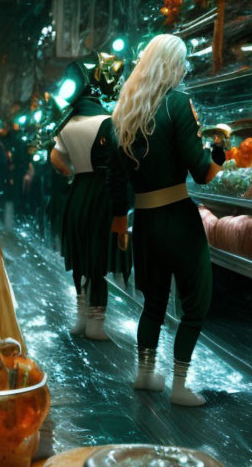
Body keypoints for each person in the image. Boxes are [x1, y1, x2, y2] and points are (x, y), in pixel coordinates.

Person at [111, 34, 224, 407]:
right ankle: (179, 386)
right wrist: (221, 149)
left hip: (143, 220)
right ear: (171, 65)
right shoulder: (178, 104)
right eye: (183, 63)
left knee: (154, 302)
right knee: (196, 302)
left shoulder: (125, 111)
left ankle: (144, 375)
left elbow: (121, 178)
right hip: (177, 216)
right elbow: (203, 171)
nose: (184, 70)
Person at [50, 52, 127, 340]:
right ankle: (96, 324)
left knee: (79, 254)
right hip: (101, 196)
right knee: (98, 260)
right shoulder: (109, 123)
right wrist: (121, 211)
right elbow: (117, 170)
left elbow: (54, 158)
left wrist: (71, 173)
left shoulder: (66, 126)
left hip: (78, 193)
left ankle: (81, 318)